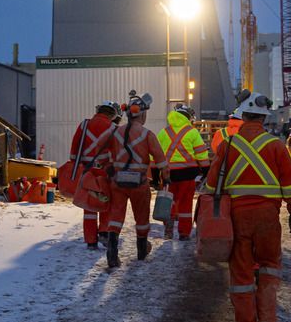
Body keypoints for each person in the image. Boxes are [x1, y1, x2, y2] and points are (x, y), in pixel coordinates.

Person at [203, 92, 291, 322]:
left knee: (241, 272)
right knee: (269, 266)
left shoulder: (227, 146)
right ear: (264, 118)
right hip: (268, 216)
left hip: (238, 216)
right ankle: (268, 321)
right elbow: (290, 185)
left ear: (243, 116)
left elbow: (212, 185)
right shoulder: (277, 146)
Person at [105, 92, 169, 268]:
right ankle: (141, 250)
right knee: (141, 216)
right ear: (142, 114)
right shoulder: (147, 135)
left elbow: (107, 154)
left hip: (117, 182)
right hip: (139, 183)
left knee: (116, 215)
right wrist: (166, 178)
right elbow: (161, 161)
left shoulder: (116, 132)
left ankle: (112, 253)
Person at [69, 100, 121, 250]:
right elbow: (116, 151)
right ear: (113, 114)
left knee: (89, 205)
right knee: (106, 202)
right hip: (106, 170)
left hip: (87, 171)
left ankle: (91, 240)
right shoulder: (113, 128)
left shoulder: (84, 125)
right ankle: (104, 232)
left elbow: (74, 150)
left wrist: (77, 166)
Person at [158, 103, 209, 240]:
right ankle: (184, 233)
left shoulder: (164, 132)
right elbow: (201, 155)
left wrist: (156, 176)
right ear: (188, 117)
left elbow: (155, 155)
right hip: (187, 175)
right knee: (186, 204)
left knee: (169, 202)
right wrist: (206, 171)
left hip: (168, 174)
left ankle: (168, 229)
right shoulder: (192, 132)